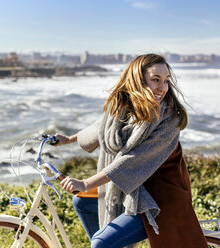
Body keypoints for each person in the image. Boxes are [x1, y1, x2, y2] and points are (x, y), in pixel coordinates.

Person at [55, 54, 208, 248]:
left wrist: (86, 183)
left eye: (166, 81)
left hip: (158, 199)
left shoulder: (169, 121)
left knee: (101, 243)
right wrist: (68, 139)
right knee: (82, 203)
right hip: (130, 189)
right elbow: (101, 128)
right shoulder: (123, 109)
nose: (162, 88)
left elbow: (131, 161)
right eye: (155, 80)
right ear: (138, 79)